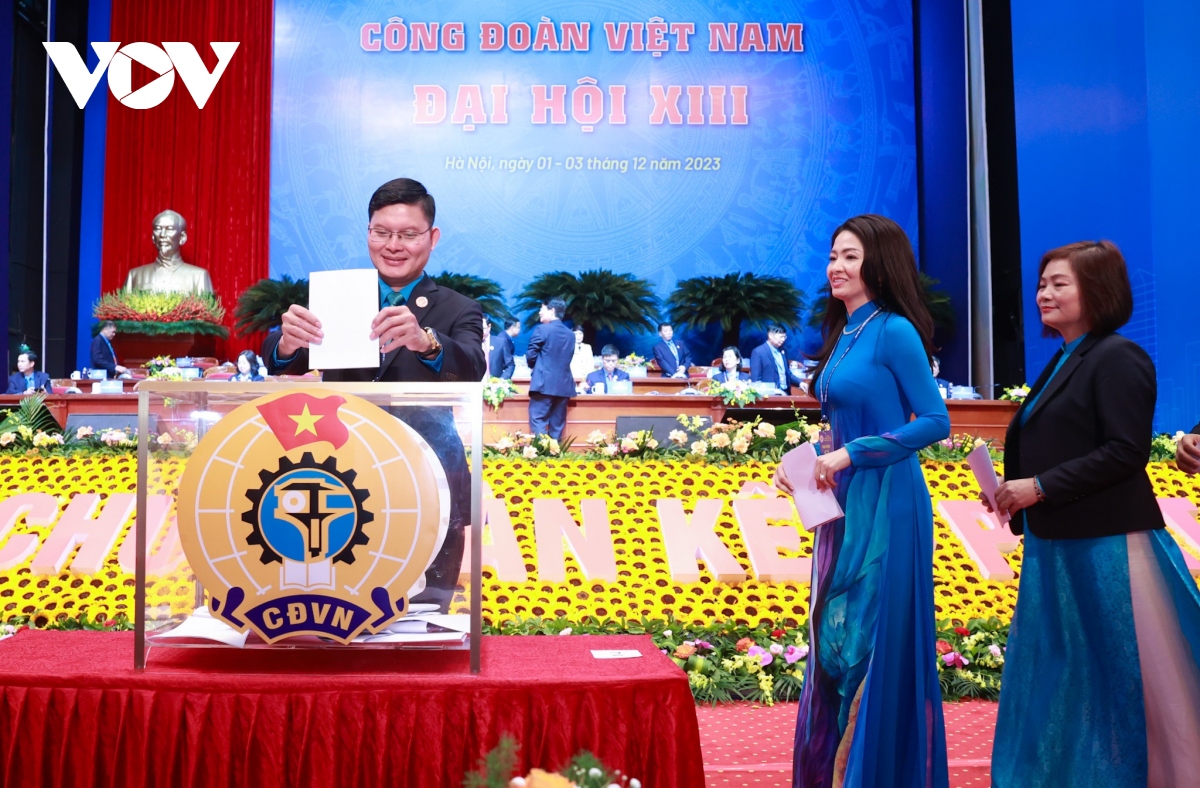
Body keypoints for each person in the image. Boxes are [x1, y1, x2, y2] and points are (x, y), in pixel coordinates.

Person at [988, 240, 1200, 788]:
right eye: (1042, 284)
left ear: (1098, 290)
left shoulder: (1117, 356)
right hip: (1061, 542)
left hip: (1109, 546)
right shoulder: (1067, 357)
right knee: (1071, 678)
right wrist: (1015, 492)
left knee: (1126, 677)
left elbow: (1126, 452)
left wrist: (1040, 487)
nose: (1044, 294)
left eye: (1060, 283)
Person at [773, 214, 950, 788]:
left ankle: (875, 773)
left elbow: (935, 421)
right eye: (833, 256)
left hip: (888, 500)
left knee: (869, 641)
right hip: (842, 501)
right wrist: (808, 462)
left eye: (850, 256)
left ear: (879, 262)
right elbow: (845, 422)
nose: (836, 267)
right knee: (833, 641)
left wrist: (853, 454)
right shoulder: (845, 332)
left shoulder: (894, 330)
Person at [263, 178, 486, 611]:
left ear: (432, 238)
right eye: (381, 232)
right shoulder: (337, 297)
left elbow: (472, 366)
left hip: (429, 473)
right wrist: (286, 343)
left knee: (425, 612)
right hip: (341, 473)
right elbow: (280, 357)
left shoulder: (458, 307)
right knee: (340, 604)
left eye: (408, 234)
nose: (393, 245)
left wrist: (427, 343)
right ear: (367, 233)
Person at [123, 210, 214, 295]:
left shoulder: (198, 277)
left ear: (182, 238)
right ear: (153, 237)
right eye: (158, 229)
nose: (162, 234)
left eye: (170, 229)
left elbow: (207, 306)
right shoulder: (134, 275)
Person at [526, 298, 575, 439]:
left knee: (538, 419)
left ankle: (543, 450)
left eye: (542, 309)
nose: (539, 312)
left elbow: (531, 354)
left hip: (543, 384)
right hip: (564, 385)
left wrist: (535, 368)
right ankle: (555, 451)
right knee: (557, 425)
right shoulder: (570, 334)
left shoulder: (542, 329)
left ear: (552, 310)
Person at [750, 325, 804, 394]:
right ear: (770, 335)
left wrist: (800, 382)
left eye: (784, 337)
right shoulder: (758, 352)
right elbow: (756, 380)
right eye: (781, 337)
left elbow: (787, 373)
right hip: (769, 395)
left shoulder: (783, 350)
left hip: (785, 393)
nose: (783, 339)